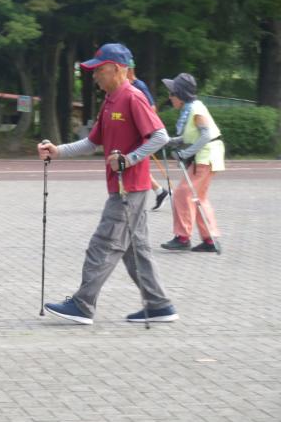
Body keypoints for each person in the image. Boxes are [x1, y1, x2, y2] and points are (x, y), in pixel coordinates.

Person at [38, 43, 179, 325]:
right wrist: (58, 150)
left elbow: (160, 136)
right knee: (134, 249)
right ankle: (159, 305)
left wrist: (129, 159)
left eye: (98, 70)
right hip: (125, 187)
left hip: (130, 188)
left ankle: (82, 304)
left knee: (102, 244)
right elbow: (92, 142)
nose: (94, 76)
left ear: (116, 69)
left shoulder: (132, 97)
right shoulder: (111, 99)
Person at [160, 73, 225, 253]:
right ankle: (210, 240)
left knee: (182, 193)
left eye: (172, 93)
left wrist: (185, 153)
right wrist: (172, 141)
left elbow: (205, 135)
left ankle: (183, 237)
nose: (170, 97)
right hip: (206, 157)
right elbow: (192, 135)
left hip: (205, 158)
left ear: (180, 94)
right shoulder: (191, 109)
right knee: (198, 198)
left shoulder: (196, 109)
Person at [127, 59, 169, 210]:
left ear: (130, 70)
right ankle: (159, 191)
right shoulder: (128, 87)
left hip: (142, 134)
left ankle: (156, 192)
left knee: (135, 165)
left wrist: (142, 126)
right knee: (138, 166)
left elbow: (152, 108)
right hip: (133, 134)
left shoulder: (139, 86)